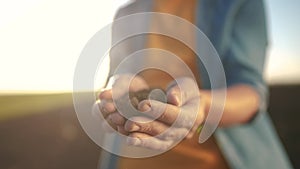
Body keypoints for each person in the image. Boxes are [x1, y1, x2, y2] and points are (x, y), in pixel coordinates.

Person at [95, 0, 293, 168]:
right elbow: (116, 74)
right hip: (132, 159)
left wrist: (203, 106)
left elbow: (251, 93)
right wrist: (116, 88)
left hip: (218, 161)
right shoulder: (127, 13)